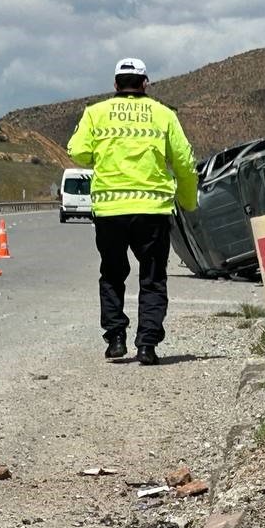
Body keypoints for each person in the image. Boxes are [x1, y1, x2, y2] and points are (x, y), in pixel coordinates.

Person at [67, 57, 198, 365]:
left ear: (115, 84)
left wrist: (104, 153)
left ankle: (115, 339)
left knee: (112, 273)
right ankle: (147, 346)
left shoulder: (95, 113)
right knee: (152, 277)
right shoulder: (164, 115)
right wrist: (189, 201)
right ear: (145, 83)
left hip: (110, 209)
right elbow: (184, 162)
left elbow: (78, 150)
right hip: (152, 210)